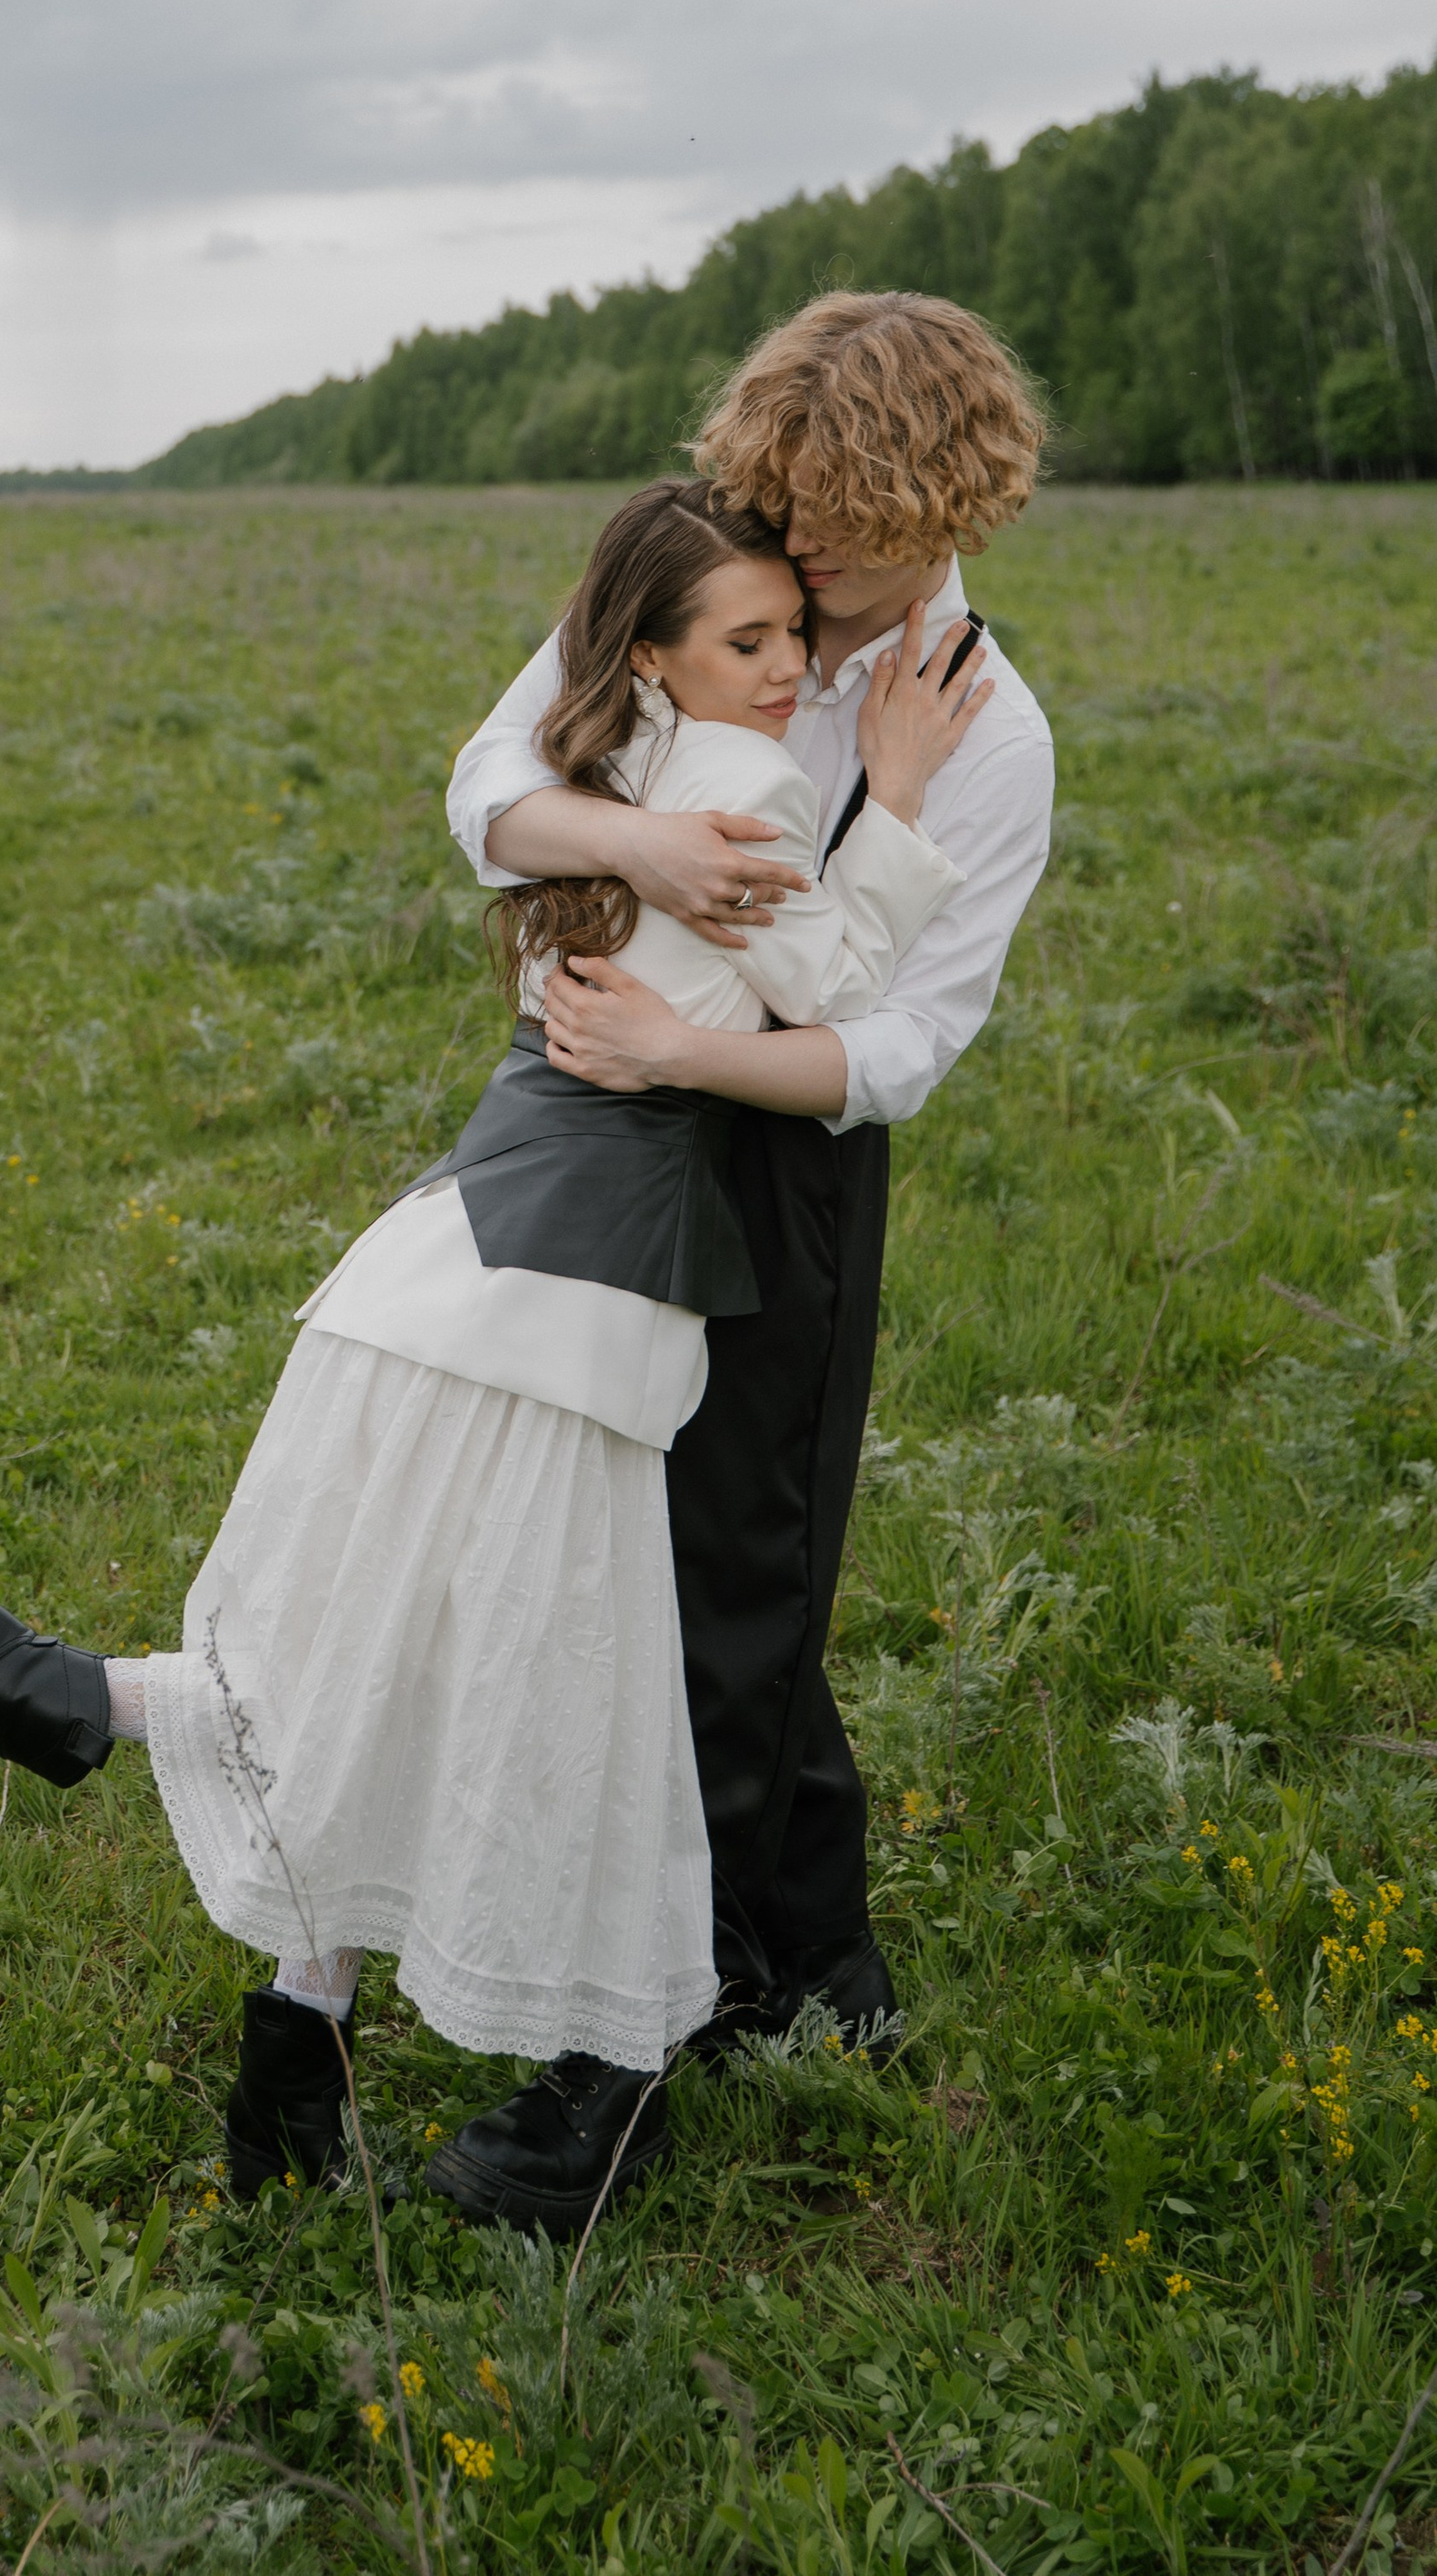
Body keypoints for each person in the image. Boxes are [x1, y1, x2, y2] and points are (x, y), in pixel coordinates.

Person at [0, 473, 989, 2235]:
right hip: (567, 1307)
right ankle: (48, 1699)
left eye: (789, 635)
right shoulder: (750, 783)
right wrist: (891, 791)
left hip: (457, 1245)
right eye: (749, 639)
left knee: (382, 1666)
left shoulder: (596, 766)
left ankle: (275, 2072)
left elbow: (498, 803)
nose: (789, 668)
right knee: (516, 1690)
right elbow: (832, 975)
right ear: (658, 657)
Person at [441, 288, 1055, 2219]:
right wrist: (640, 854)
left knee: (726, 1592)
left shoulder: (990, 728)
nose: (799, 553)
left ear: (945, 503)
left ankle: (609, 2073)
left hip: (775, 1156)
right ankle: (820, 1970)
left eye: (843, 526)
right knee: (595, 1548)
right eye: (782, 507)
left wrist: (684, 1050)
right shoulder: (702, 576)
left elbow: (897, 1047)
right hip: (582, 1125)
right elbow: (488, 791)